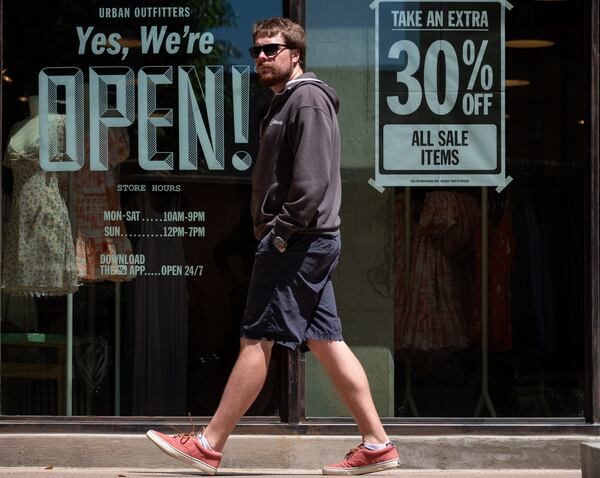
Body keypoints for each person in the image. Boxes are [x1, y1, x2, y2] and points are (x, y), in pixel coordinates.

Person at [146, 17, 399, 476]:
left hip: (297, 242)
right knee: (326, 341)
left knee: (256, 338)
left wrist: (280, 233)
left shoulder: (308, 101)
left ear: (295, 53)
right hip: (304, 241)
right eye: (256, 50)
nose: (261, 56)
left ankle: (208, 442)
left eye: (271, 48)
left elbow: (314, 182)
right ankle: (377, 444)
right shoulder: (287, 102)